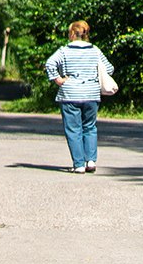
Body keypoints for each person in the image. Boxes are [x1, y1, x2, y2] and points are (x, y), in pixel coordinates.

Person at [44, 21, 113, 173]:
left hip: (70, 94)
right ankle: (91, 161)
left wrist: (58, 79)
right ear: (86, 34)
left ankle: (79, 164)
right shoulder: (95, 50)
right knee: (90, 127)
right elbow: (109, 68)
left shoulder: (64, 51)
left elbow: (50, 64)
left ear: (71, 34)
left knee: (73, 129)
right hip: (91, 94)